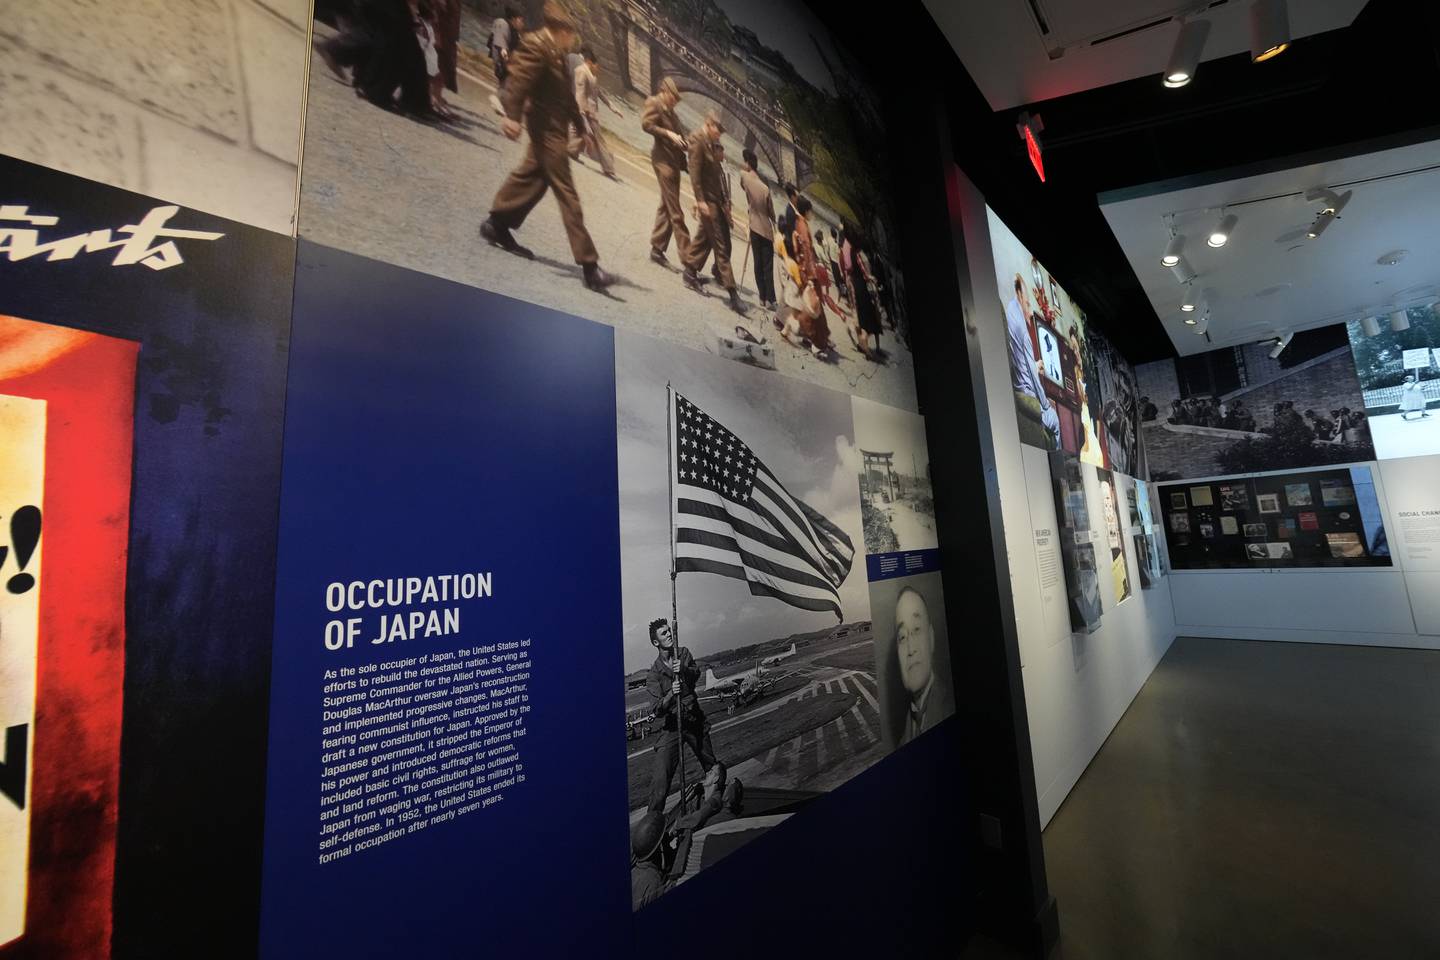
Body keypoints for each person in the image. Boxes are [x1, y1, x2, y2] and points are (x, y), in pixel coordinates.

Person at [480, 2, 614, 291]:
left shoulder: (556, 51)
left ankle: (497, 224)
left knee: (532, 180)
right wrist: (512, 118)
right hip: (546, 131)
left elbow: (566, 96)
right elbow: (518, 82)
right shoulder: (536, 45)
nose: (573, 38)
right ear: (561, 30)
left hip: (555, 131)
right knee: (568, 196)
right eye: (571, 33)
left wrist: (581, 127)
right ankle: (590, 267)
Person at [631, 765, 743, 909]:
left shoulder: (715, 800)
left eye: (711, 772)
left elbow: (697, 817)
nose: (707, 772)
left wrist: (676, 827)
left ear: (716, 779)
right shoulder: (699, 796)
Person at [643, 618, 725, 815]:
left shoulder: (683, 652)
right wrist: (671, 693)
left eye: (669, 631)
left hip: (694, 720)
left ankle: (716, 806)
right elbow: (657, 710)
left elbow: (696, 674)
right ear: (656, 642)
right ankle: (652, 826)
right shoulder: (653, 674)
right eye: (664, 633)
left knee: (712, 767)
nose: (669, 634)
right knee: (660, 779)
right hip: (672, 726)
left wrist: (684, 670)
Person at [681, 113, 744, 314]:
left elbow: (716, 176)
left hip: (715, 203)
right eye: (719, 131)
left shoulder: (710, 143)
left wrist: (725, 204)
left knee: (704, 240)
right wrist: (699, 201)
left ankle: (690, 273)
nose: (720, 136)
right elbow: (694, 174)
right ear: (710, 124)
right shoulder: (698, 141)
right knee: (720, 246)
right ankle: (733, 294)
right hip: (708, 202)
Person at [893, 586, 953, 747]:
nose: (910, 648)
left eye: (917, 629)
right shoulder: (901, 741)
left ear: (931, 637)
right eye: (902, 637)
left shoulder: (950, 708)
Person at [1005, 276, 1060, 445]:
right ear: (1019, 295)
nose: (1030, 313)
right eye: (1028, 305)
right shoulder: (1024, 333)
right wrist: (1046, 405)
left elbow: (1021, 364)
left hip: (1018, 386)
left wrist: (1034, 365)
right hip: (1029, 395)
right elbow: (1035, 383)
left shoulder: (1010, 310)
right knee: (1055, 420)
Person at [643, 78, 690, 265]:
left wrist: (685, 146)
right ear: (665, 90)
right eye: (674, 97)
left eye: (677, 99)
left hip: (674, 165)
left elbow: (679, 139)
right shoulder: (653, 103)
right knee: (676, 212)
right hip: (663, 163)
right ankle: (689, 262)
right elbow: (646, 125)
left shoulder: (673, 115)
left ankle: (657, 249)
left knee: (666, 206)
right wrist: (668, 134)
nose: (675, 101)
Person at [572, 47, 621, 179]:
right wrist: (581, 111)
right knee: (599, 141)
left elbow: (599, 93)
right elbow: (580, 93)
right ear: (590, 62)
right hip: (586, 110)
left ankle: (571, 151)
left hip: (589, 111)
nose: (598, 68)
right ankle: (608, 168)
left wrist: (612, 107)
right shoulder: (582, 72)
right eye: (597, 65)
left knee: (581, 134)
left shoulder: (592, 76)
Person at [739, 148, 776, 310]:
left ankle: (761, 297)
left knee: (757, 263)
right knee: (768, 266)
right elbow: (771, 213)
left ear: (748, 163)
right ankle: (770, 299)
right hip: (766, 230)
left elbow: (743, 184)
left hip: (754, 226)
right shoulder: (765, 189)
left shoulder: (744, 177)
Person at [488, 7, 524, 114]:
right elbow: (500, 38)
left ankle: (499, 101)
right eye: (521, 20)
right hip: (502, 58)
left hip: (509, 59)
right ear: (514, 19)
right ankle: (497, 99)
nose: (522, 23)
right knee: (506, 80)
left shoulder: (516, 33)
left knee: (506, 82)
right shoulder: (502, 23)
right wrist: (503, 50)